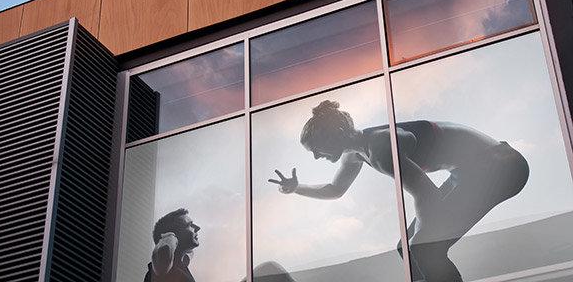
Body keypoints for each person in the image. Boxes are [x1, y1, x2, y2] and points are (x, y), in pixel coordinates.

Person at [268, 100, 529, 282]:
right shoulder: (356, 154)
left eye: (317, 148)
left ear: (336, 132)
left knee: (423, 249)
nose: (315, 157)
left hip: (500, 167)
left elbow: (426, 195)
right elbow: (335, 189)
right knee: (408, 248)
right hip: (473, 171)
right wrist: (296, 188)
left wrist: (424, 239)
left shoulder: (380, 147)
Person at [145, 208, 295, 282]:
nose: (197, 228)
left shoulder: (180, 266)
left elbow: (186, 255)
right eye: (190, 225)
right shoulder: (160, 270)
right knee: (270, 268)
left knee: (269, 269)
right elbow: (164, 251)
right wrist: (168, 236)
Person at [144, 208, 200, 282]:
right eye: (190, 225)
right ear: (174, 236)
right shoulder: (162, 267)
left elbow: (190, 254)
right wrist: (170, 237)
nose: (198, 228)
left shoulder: (181, 263)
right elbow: (165, 248)